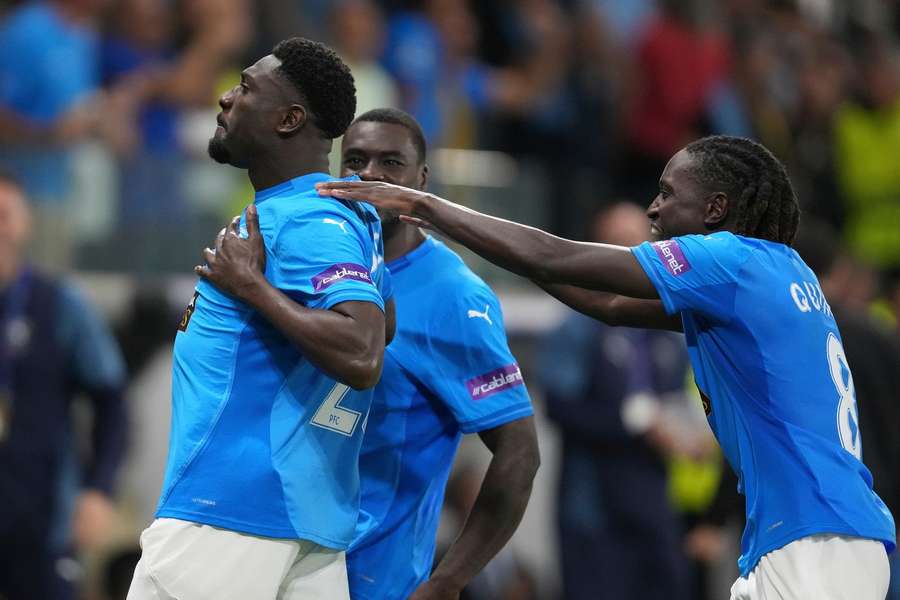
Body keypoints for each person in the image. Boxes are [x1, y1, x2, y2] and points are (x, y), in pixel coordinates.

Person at [317, 135, 897, 600]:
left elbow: (556, 254)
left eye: (669, 193)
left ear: (716, 209)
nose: (655, 207)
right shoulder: (776, 272)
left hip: (813, 540)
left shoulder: (729, 261)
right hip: (829, 534)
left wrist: (422, 207)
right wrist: (507, 257)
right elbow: (609, 305)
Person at [209, 107, 539, 600]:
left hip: (372, 576)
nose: (369, 176)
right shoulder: (312, 263)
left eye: (391, 163)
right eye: (356, 160)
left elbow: (520, 451)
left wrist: (447, 583)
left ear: (422, 180)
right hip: (271, 561)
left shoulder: (453, 296)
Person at [126, 38, 392, 600]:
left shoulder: (305, 219)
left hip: (228, 516)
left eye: (246, 88)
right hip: (304, 529)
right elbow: (383, 325)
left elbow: (364, 351)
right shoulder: (348, 218)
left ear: (289, 119)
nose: (225, 98)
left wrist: (253, 289)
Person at [540, 202, 695, 600]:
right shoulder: (577, 327)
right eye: (617, 247)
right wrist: (635, 423)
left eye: (636, 248)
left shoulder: (670, 329)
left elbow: (679, 401)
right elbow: (559, 407)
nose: (628, 261)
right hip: (591, 505)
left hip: (654, 500)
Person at [0, 172, 128, 600]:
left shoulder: (60, 305)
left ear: (24, 223)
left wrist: (98, 489)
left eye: (4, 214)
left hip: (42, 522)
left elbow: (111, 400)